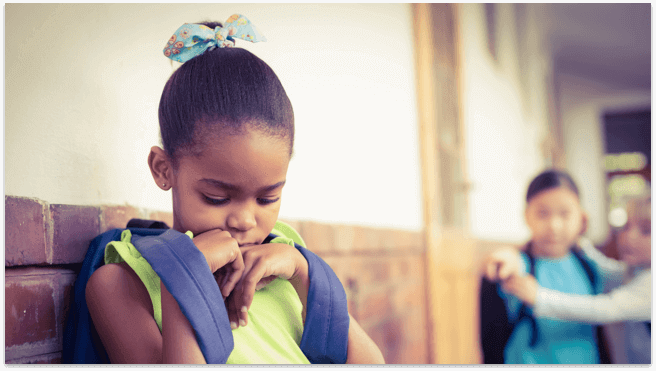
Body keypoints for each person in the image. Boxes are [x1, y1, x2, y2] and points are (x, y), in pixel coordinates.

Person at [84, 15, 384, 364]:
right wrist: (183, 279)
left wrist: (305, 272)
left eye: (267, 198)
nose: (244, 220)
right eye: (217, 197)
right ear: (163, 169)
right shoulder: (123, 283)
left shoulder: (280, 263)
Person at [489, 191, 651, 364]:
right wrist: (578, 237)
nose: (629, 237)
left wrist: (539, 297)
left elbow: (605, 308)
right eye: (625, 226)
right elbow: (605, 268)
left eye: (646, 230)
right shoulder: (633, 271)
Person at [480, 169, 608, 363]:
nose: (554, 225)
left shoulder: (592, 268)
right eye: (542, 213)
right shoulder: (514, 270)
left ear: (581, 218)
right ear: (526, 216)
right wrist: (505, 260)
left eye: (565, 214)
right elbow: (490, 345)